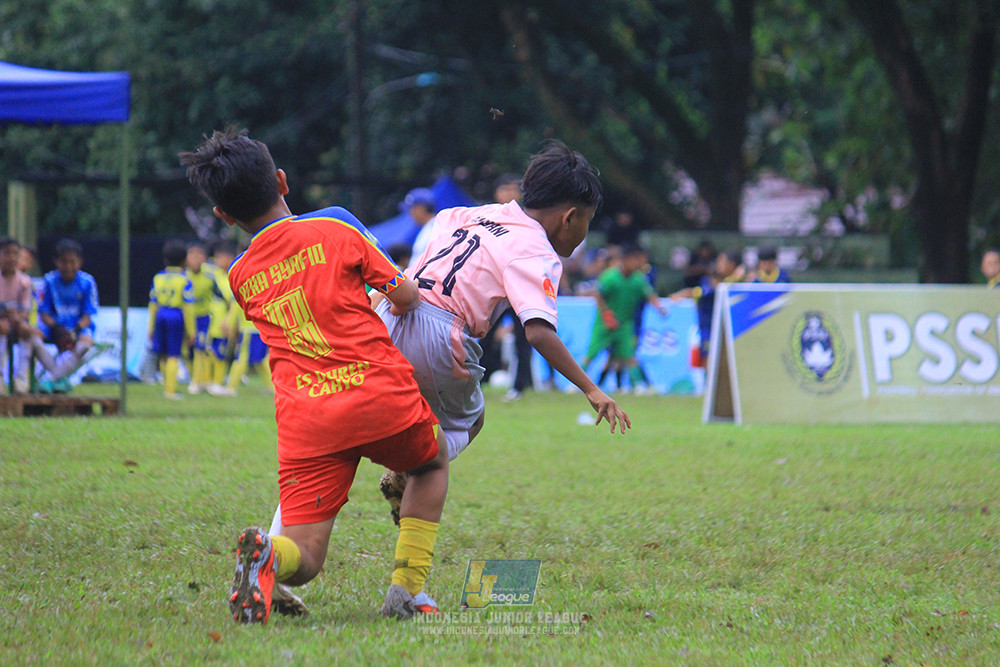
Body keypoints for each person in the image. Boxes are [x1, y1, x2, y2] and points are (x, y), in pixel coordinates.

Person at [180, 127, 449, 624]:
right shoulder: (336, 231)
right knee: (431, 465)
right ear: (282, 181)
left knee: (305, 557)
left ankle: (268, 557)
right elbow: (407, 298)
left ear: (223, 214)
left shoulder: (239, 276)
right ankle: (406, 592)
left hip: (308, 420)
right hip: (377, 393)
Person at [581, 243, 667, 393]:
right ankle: (577, 383)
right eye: (635, 260)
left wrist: (659, 308)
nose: (638, 264)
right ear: (625, 260)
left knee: (629, 355)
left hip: (625, 324)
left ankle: (638, 386)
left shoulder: (638, 279)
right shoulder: (610, 276)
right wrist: (606, 315)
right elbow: (598, 294)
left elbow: (649, 294)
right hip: (605, 323)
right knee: (592, 354)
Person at [36, 238, 99, 392]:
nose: (68, 267)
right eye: (64, 262)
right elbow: (44, 314)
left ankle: (50, 380)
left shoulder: (87, 282)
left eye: (73, 262)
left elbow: (87, 317)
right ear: (56, 262)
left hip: (78, 328)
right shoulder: (49, 281)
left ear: (80, 262)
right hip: (54, 327)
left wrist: (74, 332)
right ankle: (60, 379)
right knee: (33, 339)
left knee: (85, 348)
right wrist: (58, 329)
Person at [670, 248, 744, 365]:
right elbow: (701, 292)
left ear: (732, 265)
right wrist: (681, 295)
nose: (718, 264)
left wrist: (737, 278)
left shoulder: (740, 283)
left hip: (731, 329)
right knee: (708, 360)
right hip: (708, 328)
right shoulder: (708, 281)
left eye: (722, 261)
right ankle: (708, 382)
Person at [148, 239, 196, 400]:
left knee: (163, 354)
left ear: (165, 259)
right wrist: (191, 331)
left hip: (161, 314)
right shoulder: (185, 279)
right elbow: (188, 307)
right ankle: (170, 390)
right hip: (175, 315)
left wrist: (150, 328)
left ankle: (166, 385)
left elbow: (152, 304)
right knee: (174, 355)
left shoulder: (158, 277)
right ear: (184, 261)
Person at [185, 242, 219, 393]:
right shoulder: (183, 275)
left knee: (201, 349)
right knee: (186, 351)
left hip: (204, 318)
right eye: (192, 255)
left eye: (199, 255)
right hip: (186, 318)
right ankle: (195, 378)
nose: (195, 259)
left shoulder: (211, 274)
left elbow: (222, 292)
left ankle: (198, 382)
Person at [403, 187, 437, 257]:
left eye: (412, 209)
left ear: (421, 208)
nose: (410, 213)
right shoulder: (427, 228)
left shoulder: (435, 228)